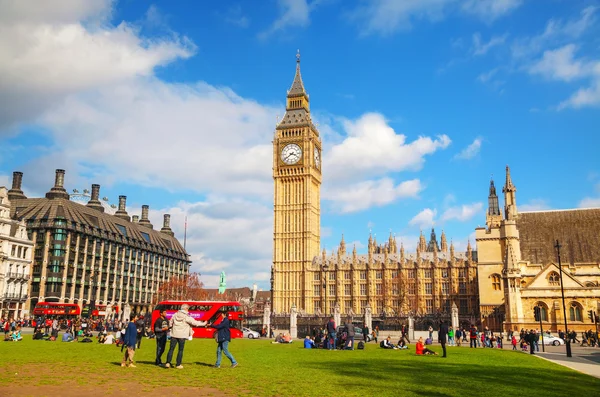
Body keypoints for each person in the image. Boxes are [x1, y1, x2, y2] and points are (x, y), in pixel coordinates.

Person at [165, 304, 206, 369]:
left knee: (171, 349)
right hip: (182, 335)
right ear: (186, 309)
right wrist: (204, 323)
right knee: (180, 350)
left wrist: (171, 327)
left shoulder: (175, 314)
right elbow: (194, 322)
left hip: (174, 334)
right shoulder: (186, 316)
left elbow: (170, 322)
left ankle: (167, 363)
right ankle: (178, 364)